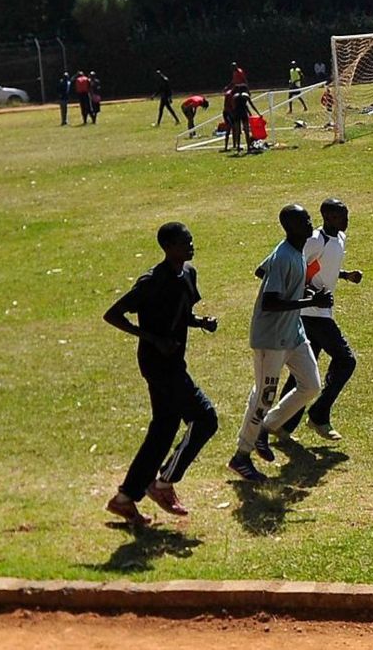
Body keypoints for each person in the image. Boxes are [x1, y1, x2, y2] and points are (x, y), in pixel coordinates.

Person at [102, 222, 220, 525]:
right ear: (167, 247)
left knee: (164, 429)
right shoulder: (152, 281)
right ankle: (163, 484)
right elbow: (113, 315)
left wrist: (200, 323)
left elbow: (181, 313)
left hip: (174, 362)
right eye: (183, 242)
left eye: (191, 241)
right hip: (157, 365)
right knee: (205, 418)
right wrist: (153, 338)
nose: (190, 246)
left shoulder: (188, 274)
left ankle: (125, 499)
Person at [227, 205, 331, 482]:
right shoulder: (285, 255)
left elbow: (261, 271)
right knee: (263, 395)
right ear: (291, 227)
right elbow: (271, 301)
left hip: (293, 333)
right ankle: (241, 455)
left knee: (311, 385)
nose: (311, 223)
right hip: (270, 339)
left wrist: (300, 289)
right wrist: (311, 301)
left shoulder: (293, 251)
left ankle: (267, 426)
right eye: (305, 220)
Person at [269, 199, 361, 441]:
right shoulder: (314, 240)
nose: (347, 220)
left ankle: (282, 425)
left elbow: (320, 268)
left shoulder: (339, 238)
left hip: (320, 313)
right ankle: (319, 415)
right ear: (328, 217)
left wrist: (345, 275)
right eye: (342, 216)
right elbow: (296, 269)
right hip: (310, 314)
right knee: (346, 361)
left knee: (302, 373)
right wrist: (310, 295)